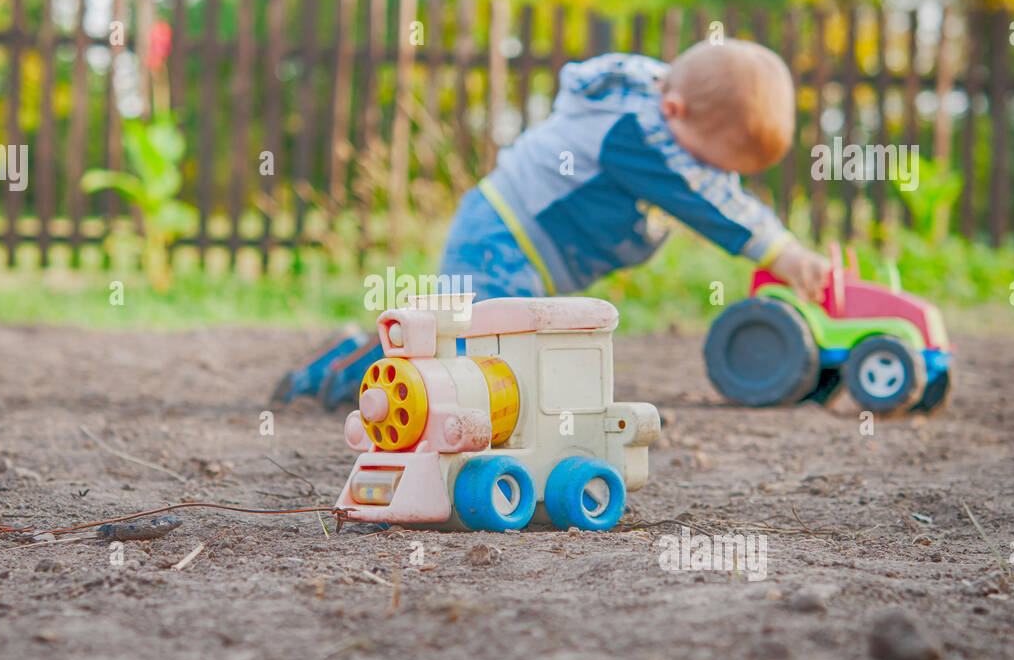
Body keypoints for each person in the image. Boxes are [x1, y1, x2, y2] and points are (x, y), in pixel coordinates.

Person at [276, 39, 830, 407]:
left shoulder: (658, 112)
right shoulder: (636, 132)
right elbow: (708, 205)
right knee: (464, 361)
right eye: (710, 162)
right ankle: (338, 373)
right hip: (502, 239)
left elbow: (713, 190)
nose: (710, 175)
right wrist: (781, 251)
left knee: (475, 356)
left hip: (519, 245)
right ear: (676, 112)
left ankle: (374, 353)